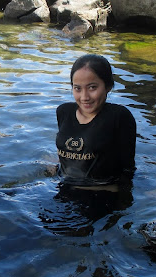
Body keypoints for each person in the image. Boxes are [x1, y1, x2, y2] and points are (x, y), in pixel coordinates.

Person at [56, 54, 136, 191]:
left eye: (92, 87)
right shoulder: (64, 112)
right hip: (62, 186)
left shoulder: (119, 117)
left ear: (108, 86)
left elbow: (127, 169)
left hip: (100, 196)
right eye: (77, 88)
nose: (84, 97)